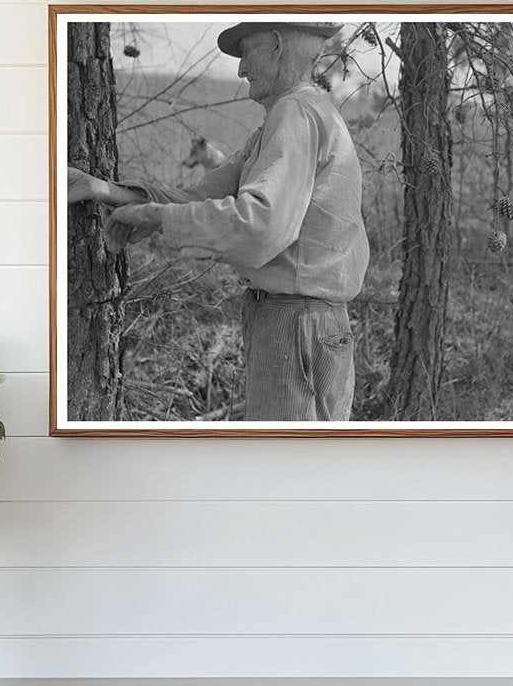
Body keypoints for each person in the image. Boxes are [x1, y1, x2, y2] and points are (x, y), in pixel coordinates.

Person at [68, 21, 370, 421]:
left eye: (247, 52)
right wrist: (105, 191)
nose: (242, 69)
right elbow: (201, 197)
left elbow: (260, 227)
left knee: (287, 470)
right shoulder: (294, 116)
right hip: (295, 320)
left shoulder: (295, 113)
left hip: (297, 323)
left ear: (277, 46)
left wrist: (159, 218)